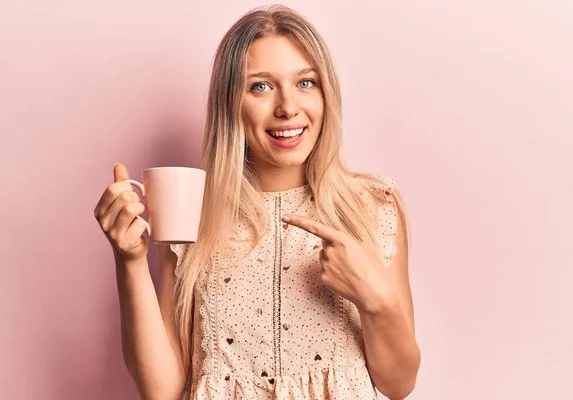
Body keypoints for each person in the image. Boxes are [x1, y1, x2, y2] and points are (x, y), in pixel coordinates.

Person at [93, 5, 420, 400]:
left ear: (327, 93)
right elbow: (161, 390)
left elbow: (399, 384)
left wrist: (376, 301)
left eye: (306, 82)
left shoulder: (372, 205)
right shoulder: (193, 213)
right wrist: (128, 261)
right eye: (260, 86)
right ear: (231, 103)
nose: (287, 107)